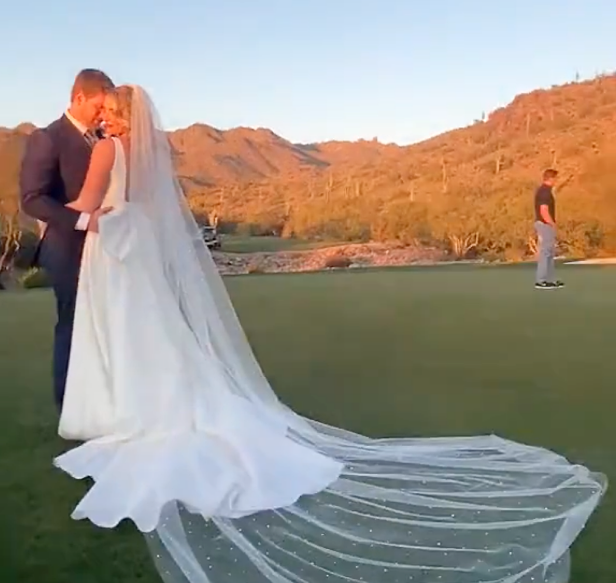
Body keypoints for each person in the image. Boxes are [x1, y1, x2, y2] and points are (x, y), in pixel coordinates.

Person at [54, 85, 606, 583]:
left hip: (118, 253)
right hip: (138, 252)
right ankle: (152, 410)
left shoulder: (108, 150)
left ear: (118, 115)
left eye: (106, 109)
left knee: (129, 336)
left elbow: (87, 206)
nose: (101, 114)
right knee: (154, 337)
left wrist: (55, 217)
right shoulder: (149, 157)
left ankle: (135, 417)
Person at [19, 69, 115, 408]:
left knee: (104, 325)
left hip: (105, 246)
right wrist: (84, 220)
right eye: (98, 107)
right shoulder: (48, 138)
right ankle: (69, 409)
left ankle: (102, 400)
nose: (102, 115)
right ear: (79, 98)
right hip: (65, 247)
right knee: (73, 325)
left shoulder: (105, 139)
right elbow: (32, 199)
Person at [534, 168, 564, 290]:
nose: (556, 181)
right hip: (544, 224)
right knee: (546, 252)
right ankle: (541, 280)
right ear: (551, 178)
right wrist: (552, 223)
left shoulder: (546, 191)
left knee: (550, 252)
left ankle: (549, 279)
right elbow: (543, 210)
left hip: (545, 224)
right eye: (555, 178)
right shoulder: (544, 192)